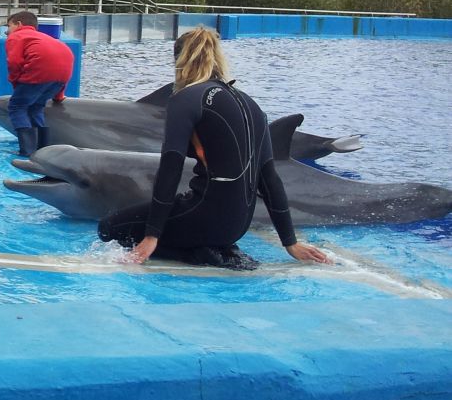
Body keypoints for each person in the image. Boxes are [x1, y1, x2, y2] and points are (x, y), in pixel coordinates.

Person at [98, 28, 332, 269]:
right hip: (237, 226)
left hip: (206, 216)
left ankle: (200, 253)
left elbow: (171, 168)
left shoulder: (186, 99)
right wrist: (290, 242)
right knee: (192, 213)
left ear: (180, 62)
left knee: (109, 228)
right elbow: (269, 179)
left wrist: (151, 237)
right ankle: (215, 246)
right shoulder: (251, 104)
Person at [5, 11, 75, 157]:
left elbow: (14, 62)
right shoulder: (46, 38)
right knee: (36, 107)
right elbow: (61, 64)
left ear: (19, 24)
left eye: (9, 25)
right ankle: (44, 150)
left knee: (17, 107)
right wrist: (59, 95)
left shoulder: (16, 36)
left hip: (39, 71)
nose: (7, 31)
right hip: (63, 72)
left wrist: (16, 83)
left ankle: (27, 151)